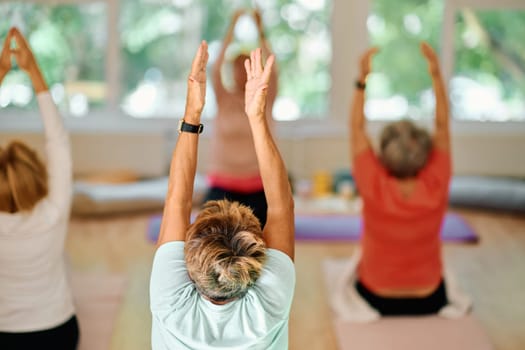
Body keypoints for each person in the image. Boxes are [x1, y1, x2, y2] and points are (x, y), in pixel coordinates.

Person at [149, 43, 295, 349]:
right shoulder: (269, 307)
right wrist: (257, 117)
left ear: (189, 259)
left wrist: (191, 111)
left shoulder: (169, 301)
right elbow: (280, 207)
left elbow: (177, 199)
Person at [349, 42, 452, 316]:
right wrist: (436, 74)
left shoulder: (373, 183)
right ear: (426, 155)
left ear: (383, 154)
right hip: (428, 297)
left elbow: (356, 128)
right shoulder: (437, 182)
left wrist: (362, 79)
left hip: (376, 296)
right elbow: (443, 125)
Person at [0, 28, 79, 348]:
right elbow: (58, 141)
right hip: (56, 332)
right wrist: (34, 72)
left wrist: (2, 71)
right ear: (37, 174)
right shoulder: (54, 211)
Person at [205, 9, 278, 227]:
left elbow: (273, 71)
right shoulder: (224, 98)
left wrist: (260, 28)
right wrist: (232, 25)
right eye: (237, 67)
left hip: (258, 185)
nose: (241, 73)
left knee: (260, 245)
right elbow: (215, 68)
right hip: (223, 185)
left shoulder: (264, 98)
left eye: (246, 67)